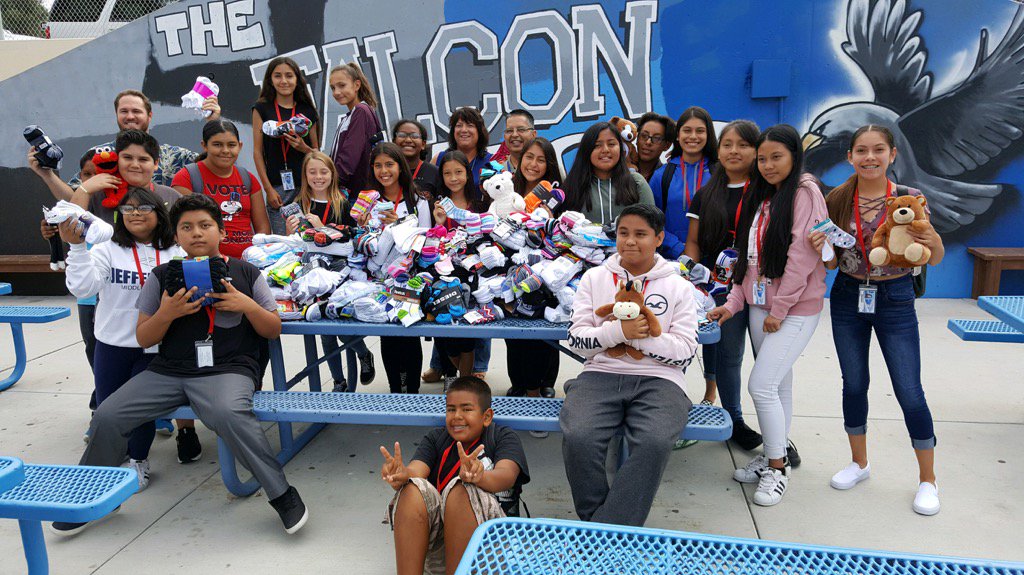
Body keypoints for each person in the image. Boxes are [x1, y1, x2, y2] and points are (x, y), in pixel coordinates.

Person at [51, 194, 309, 537]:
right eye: (186, 227)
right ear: (176, 234)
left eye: (205, 226)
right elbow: (144, 337)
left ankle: (282, 494)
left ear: (220, 231)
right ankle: (91, 494)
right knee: (108, 413)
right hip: (168, 370)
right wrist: (168, 312)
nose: (196, 234)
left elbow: (273, 329)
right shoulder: (161, 276)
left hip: (228, 369)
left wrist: (245, 304)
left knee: (229, 414)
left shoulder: (246, 273)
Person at [808, 125, 945, 516]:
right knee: (854, 383)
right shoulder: (836, 197)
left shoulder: (909, 198)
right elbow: (833, 260)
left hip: (896, 298)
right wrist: (824, 250)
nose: (870, 157)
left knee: (908, 389)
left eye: (878, 150)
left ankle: (928, 480)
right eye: (861, 151)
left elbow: (932, 257)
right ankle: (859, 463)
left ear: (892, 154)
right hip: (849, 295)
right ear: (850, 156)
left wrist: (932, 241)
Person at [707, 124, 827, 507]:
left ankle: (777, 467)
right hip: (760, 308)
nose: (769, 165)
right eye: (763, 159)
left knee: (760, 385)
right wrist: (732, 304)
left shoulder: (805, 192)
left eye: (777, 157)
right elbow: (748, 261)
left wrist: (780, 308)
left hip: (791, 311)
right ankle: (775, 450)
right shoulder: (764, 197)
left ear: (794, 155)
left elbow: (802, 256)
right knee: (779, 385)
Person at [561, 203, 698, 526]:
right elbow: (577, 340)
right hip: (600, 375)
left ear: (659, 238)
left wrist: (638, 339)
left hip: (661, 382)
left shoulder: (678, 285)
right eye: (623, 233)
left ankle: (605, 531)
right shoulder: (594, 278)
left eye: (641, 234)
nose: (630, 242)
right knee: (579, 435)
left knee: (653, 441)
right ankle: (605, 525)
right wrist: (616, 332)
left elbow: (685, 351)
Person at [61, 187, 184, 490]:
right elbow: (83, 289)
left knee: (139, 411)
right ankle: (112, 462)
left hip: (155, 346)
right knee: (108, 408)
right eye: (128, 210)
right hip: (112, 344)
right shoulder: (107, 249)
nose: (135, 214)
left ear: (159, 213)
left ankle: (138, 460)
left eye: (143, 208)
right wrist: (77, 249)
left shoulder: (175, 252)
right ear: (119, 216)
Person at [380, 376, 529, 575]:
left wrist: (479, 477)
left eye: (466, 409)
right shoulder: (436, 438)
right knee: (411, 488)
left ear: (486, 417)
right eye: (451, 409)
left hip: (491, 547)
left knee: (463, 490)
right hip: (442, 545)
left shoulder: (502, 437)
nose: (456, 416)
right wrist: (401, 474)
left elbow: (506, 475)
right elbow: (416, 471)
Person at [681, 120, 763, 450]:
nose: (734, 151)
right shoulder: (706, 193)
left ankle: (776, 430)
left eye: (743, 144)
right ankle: (735, 420)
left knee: (767, 362)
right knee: (729, 356)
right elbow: (693, 243)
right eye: (727, 144)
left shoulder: (766, 191)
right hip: (719, 290)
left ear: (757, 150)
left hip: (760, 288)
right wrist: (697, 284)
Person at [287, 150, 377, 391]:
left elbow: (348, 241)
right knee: (323, 331)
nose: (318, 177)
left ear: (332, 174)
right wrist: (289, 230)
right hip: (310, 269)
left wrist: (321, 227)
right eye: (312, 172)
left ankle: (363, 352)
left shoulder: (342, 203)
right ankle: (338, 381)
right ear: (304, 175)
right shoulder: (297, 204)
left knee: (337, 323)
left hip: (338, 270)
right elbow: (292, 243)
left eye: (323, 171)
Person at [28, 89, 220, 200]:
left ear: (149, 116)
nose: (130, 116)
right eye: (124, 111)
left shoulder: (176, 156)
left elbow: (213, 168)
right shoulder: (99, 155)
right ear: (116, 115)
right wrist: (47, 174)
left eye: (136, 111)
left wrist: (213, 123)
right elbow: (74, 198)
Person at [365, 143, 432, 393]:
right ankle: (396, 390)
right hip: (378, 279)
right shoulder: (368, 200)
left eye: (389, 165)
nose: (384, 171)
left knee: (408, 331)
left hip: (408, 278)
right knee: (388, 335)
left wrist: (400, 224)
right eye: (378, 165)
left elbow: (424, 239)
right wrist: (365, 226)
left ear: (400, 167)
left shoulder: (418, 201)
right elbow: (364, 243)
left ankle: (412, 391)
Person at [506, 137, 563, 399]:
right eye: (529, 157)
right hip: (510, 271)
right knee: (514, 333)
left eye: (541, 159)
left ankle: (544, 384)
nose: (533, 164)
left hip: (546, 276)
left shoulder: (558, 196)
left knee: (543, 333)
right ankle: (519, 383)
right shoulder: (507, 190)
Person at [431, 151, 492, 384]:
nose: (453, 178)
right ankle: (457, 379)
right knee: (446, 333)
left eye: (459, 172)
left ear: (468, 173)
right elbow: (430, 241)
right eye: (447, 173)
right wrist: (438, 224)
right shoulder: (437, 204)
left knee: (467, 334)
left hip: (473, 274)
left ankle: (466, 383)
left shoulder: (479, 203)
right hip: (445, 273)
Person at [172, 119, 271, 258]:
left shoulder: (248, 179)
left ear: (240, 146)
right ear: (204, 146)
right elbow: (182, 227)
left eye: (231, 145)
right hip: (205, 263)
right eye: (217, 145)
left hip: (247, 264)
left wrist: (256, 259)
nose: (225, 151)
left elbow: (263, 229)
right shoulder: (186, 178)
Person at [252, 56, 320, 235]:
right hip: (278, 189)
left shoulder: (307, 110)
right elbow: (258, 153)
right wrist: (268, 189)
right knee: (286, 243)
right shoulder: (261, 108)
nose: (284, 81)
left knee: (309, 239)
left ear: (297, 79)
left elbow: (317, 154)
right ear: (270, 80)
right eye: (278, 76)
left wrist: (303, 148)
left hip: (307, 187)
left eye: (289, 76)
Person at [69, 130, 181, 224]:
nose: (135, 165)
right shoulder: (97, 196)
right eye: (127, 158)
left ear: (156, 164)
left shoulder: (171, 197)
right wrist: (83, 190)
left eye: (143, 159)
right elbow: (70, 232)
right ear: (117, 159)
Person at [650, 107, 716, 259]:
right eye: (687, 130)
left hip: (713, 259)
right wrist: (678, 249)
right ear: (678, 136)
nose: (693, 136)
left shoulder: (719, 174)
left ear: (708, 135)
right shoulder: (662, 176)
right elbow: (652, 220)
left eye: (700, 131)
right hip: (672, 258)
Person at [559, 121, 656, 225]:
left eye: (611, 144)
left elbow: (651, 225)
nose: (605, 150)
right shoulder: (573, 185)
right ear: (586, 150)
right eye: (597, 145)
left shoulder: (636, 182)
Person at [327, 63, 382, 198]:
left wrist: (331, 183)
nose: (336, 92)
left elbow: (349, 157)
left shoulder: (361, 111)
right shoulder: (352, 114)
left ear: (357, 85)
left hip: (356, 195)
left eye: (342, 85)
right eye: (333, 88)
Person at [431, 107, 493, 187]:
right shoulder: (438, 159)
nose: (464, 130)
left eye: (470, 125)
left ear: (479, 131)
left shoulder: (492, 161)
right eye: (459, 125)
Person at [392, 118, 439, 197]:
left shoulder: (435, 173)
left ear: (423, 144)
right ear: (394, 142)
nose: (408, 140)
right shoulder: (388, 172)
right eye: (402, 135)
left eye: (414, 136)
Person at [634, 112, 674, 182]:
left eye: (656, 138)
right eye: (644, 136)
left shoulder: (668, 177)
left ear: (667, 146)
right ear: (637, 139)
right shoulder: (622, 170)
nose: (648, 142)